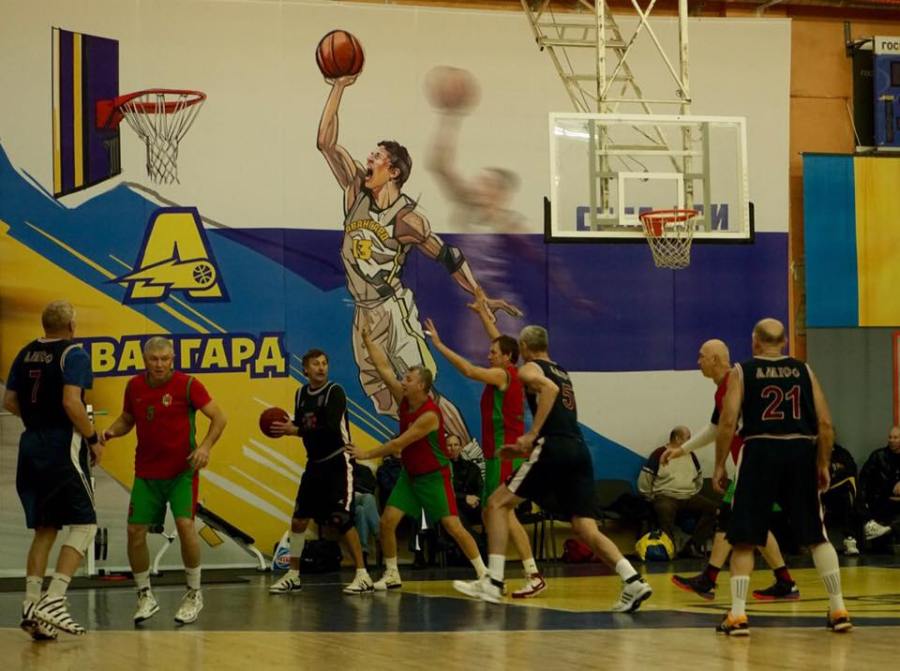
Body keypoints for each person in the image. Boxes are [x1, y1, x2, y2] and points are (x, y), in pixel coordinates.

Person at [316, 72, 520, 450]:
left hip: (392, 310)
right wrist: (338, 87)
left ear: (393, 171)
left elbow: (450, 256)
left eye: (377, 156)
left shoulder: (408, 219)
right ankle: (429, 446)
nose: (368, 158)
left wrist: (480, 294)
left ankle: (469, 453)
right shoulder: (354, 191)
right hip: (363, 312)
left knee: (422, 390)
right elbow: (325, 143)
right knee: (386, 395)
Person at [453, 325, 652, 611]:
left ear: (523, 348)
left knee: (496, 505)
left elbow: (549, 389)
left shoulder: (529, 369)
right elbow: (557, 395)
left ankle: (493, 582)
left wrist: (533, 434)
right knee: (584, 527)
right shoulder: (561, 370)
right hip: (578, 450)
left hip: (553, 447)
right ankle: (632, 580)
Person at [713, 318, 851, 636]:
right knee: (817, 535)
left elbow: (728, 421)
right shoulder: (804, 370)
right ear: (785, 341)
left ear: (755, 342)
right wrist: (822, 462)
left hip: (759, 450)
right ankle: (838, 608)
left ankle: (738, 615)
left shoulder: (742, 372)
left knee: (745, 537)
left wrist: (719, 465)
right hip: (800, 451)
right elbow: (825, 423)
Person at [346, 328, 488, 590]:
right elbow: (383, 368)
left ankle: (485, 575)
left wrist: (366, 453)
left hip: (434, 477)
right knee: (387, 522)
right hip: (410, 476)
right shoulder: (404, 400)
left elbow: (399, 443)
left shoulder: (430, 415)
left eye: (408, 379)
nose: (403, 381)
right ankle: (392, 574)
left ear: (421, 385)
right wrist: (367, 341)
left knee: (453, 526)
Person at [101, 336, 226, 625]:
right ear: (144, 360)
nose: (159, 364)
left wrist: (205, 448)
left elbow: (219, 417)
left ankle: (194, 594)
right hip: (147, 473)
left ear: (173, 359)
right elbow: (127, 419)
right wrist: (109, 432)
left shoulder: (188, 385)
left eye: (165, 359)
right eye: (154, 359)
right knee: (135, 531)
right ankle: (144, 595)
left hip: (182, 471)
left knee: (185, 525)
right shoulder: (134, 386)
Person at [426, 304, 547, 598]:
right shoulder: (508, 369)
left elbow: (468, 370)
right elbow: (500, 340)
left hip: (505, 456)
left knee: (500, 512)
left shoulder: (503, 376)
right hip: (499, 457)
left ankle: (515, 576)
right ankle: (505, 575)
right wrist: (482, 313)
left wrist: (439, 345)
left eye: (493, 353)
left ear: (506, 358)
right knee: (494, 512)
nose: (488, 354)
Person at [665, 339, 799, 601]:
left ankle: (709, 579)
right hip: (755, 465)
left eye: (701, 356)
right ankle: (785, 581)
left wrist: (720, 466)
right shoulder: (725, 387)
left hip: (755, 464)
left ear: (715, 359)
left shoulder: (733, 383)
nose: (698, 362)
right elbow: (716, 428)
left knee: (729, 517)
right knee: (754, 523)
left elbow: (727, 428)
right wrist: (682, 450)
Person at [3, 300, 101, 638]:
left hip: (31, 444)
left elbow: (9, 401)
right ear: (72, 325)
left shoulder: (25, 352)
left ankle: (31, 604)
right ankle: (55, 599)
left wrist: (37, 419)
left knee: (45, 528)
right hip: (62, 444)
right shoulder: (74, 354)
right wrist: (93, 438)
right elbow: (71, 402)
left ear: (44, 324)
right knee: (86, 524)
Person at [266, 348, 374, 594]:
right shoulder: (301, 393)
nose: (321, 367)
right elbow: (302, 423)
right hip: (314, 464)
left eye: (324, 363)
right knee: (298, 519)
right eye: (316, 364)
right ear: (305, 369)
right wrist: (285, 426)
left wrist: (296, 430)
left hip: (338, 462)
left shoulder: (335, 391)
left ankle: (363, 575)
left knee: (340, 519)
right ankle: (293, 575)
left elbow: (329, 427)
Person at [637, 426, 717, 558]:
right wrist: (651, 496)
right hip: (666, 495)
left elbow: (698, 478)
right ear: (677, 438)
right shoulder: (659, 453)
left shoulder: (691, 455)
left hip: (688, 496)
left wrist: (692, 491)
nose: (691, 441)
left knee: (713, 509)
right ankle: (669, 549)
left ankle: (693, 545)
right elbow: (645, 479)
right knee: (664, 509)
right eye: (688, 438)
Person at [859, 426, 900, 544]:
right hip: (882, 499)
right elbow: (864, 480)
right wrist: (890, 488)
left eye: (895, 437)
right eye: (890, 437)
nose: (891, 440)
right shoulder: (878, 456)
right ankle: (891, 529)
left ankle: (890, 529)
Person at [822, 439, 863, 555]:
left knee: (847, 494)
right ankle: (867, 522)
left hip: (838, 492)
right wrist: (836, 468)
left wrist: (833, 469)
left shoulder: (841, 452)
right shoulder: (814, 452)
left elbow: (851, 469)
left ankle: (850, 539)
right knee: (850, 482)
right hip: (820, 491)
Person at [447, 433, 484, 530]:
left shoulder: (472, 467)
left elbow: (480, 488)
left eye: (456, 445)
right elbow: (445, 492)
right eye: (449, 445)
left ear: (460, 447)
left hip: (474, 504)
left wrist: (475, 499)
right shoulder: (443, 470)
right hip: (454, 505)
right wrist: (464, 497)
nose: (453, 448)